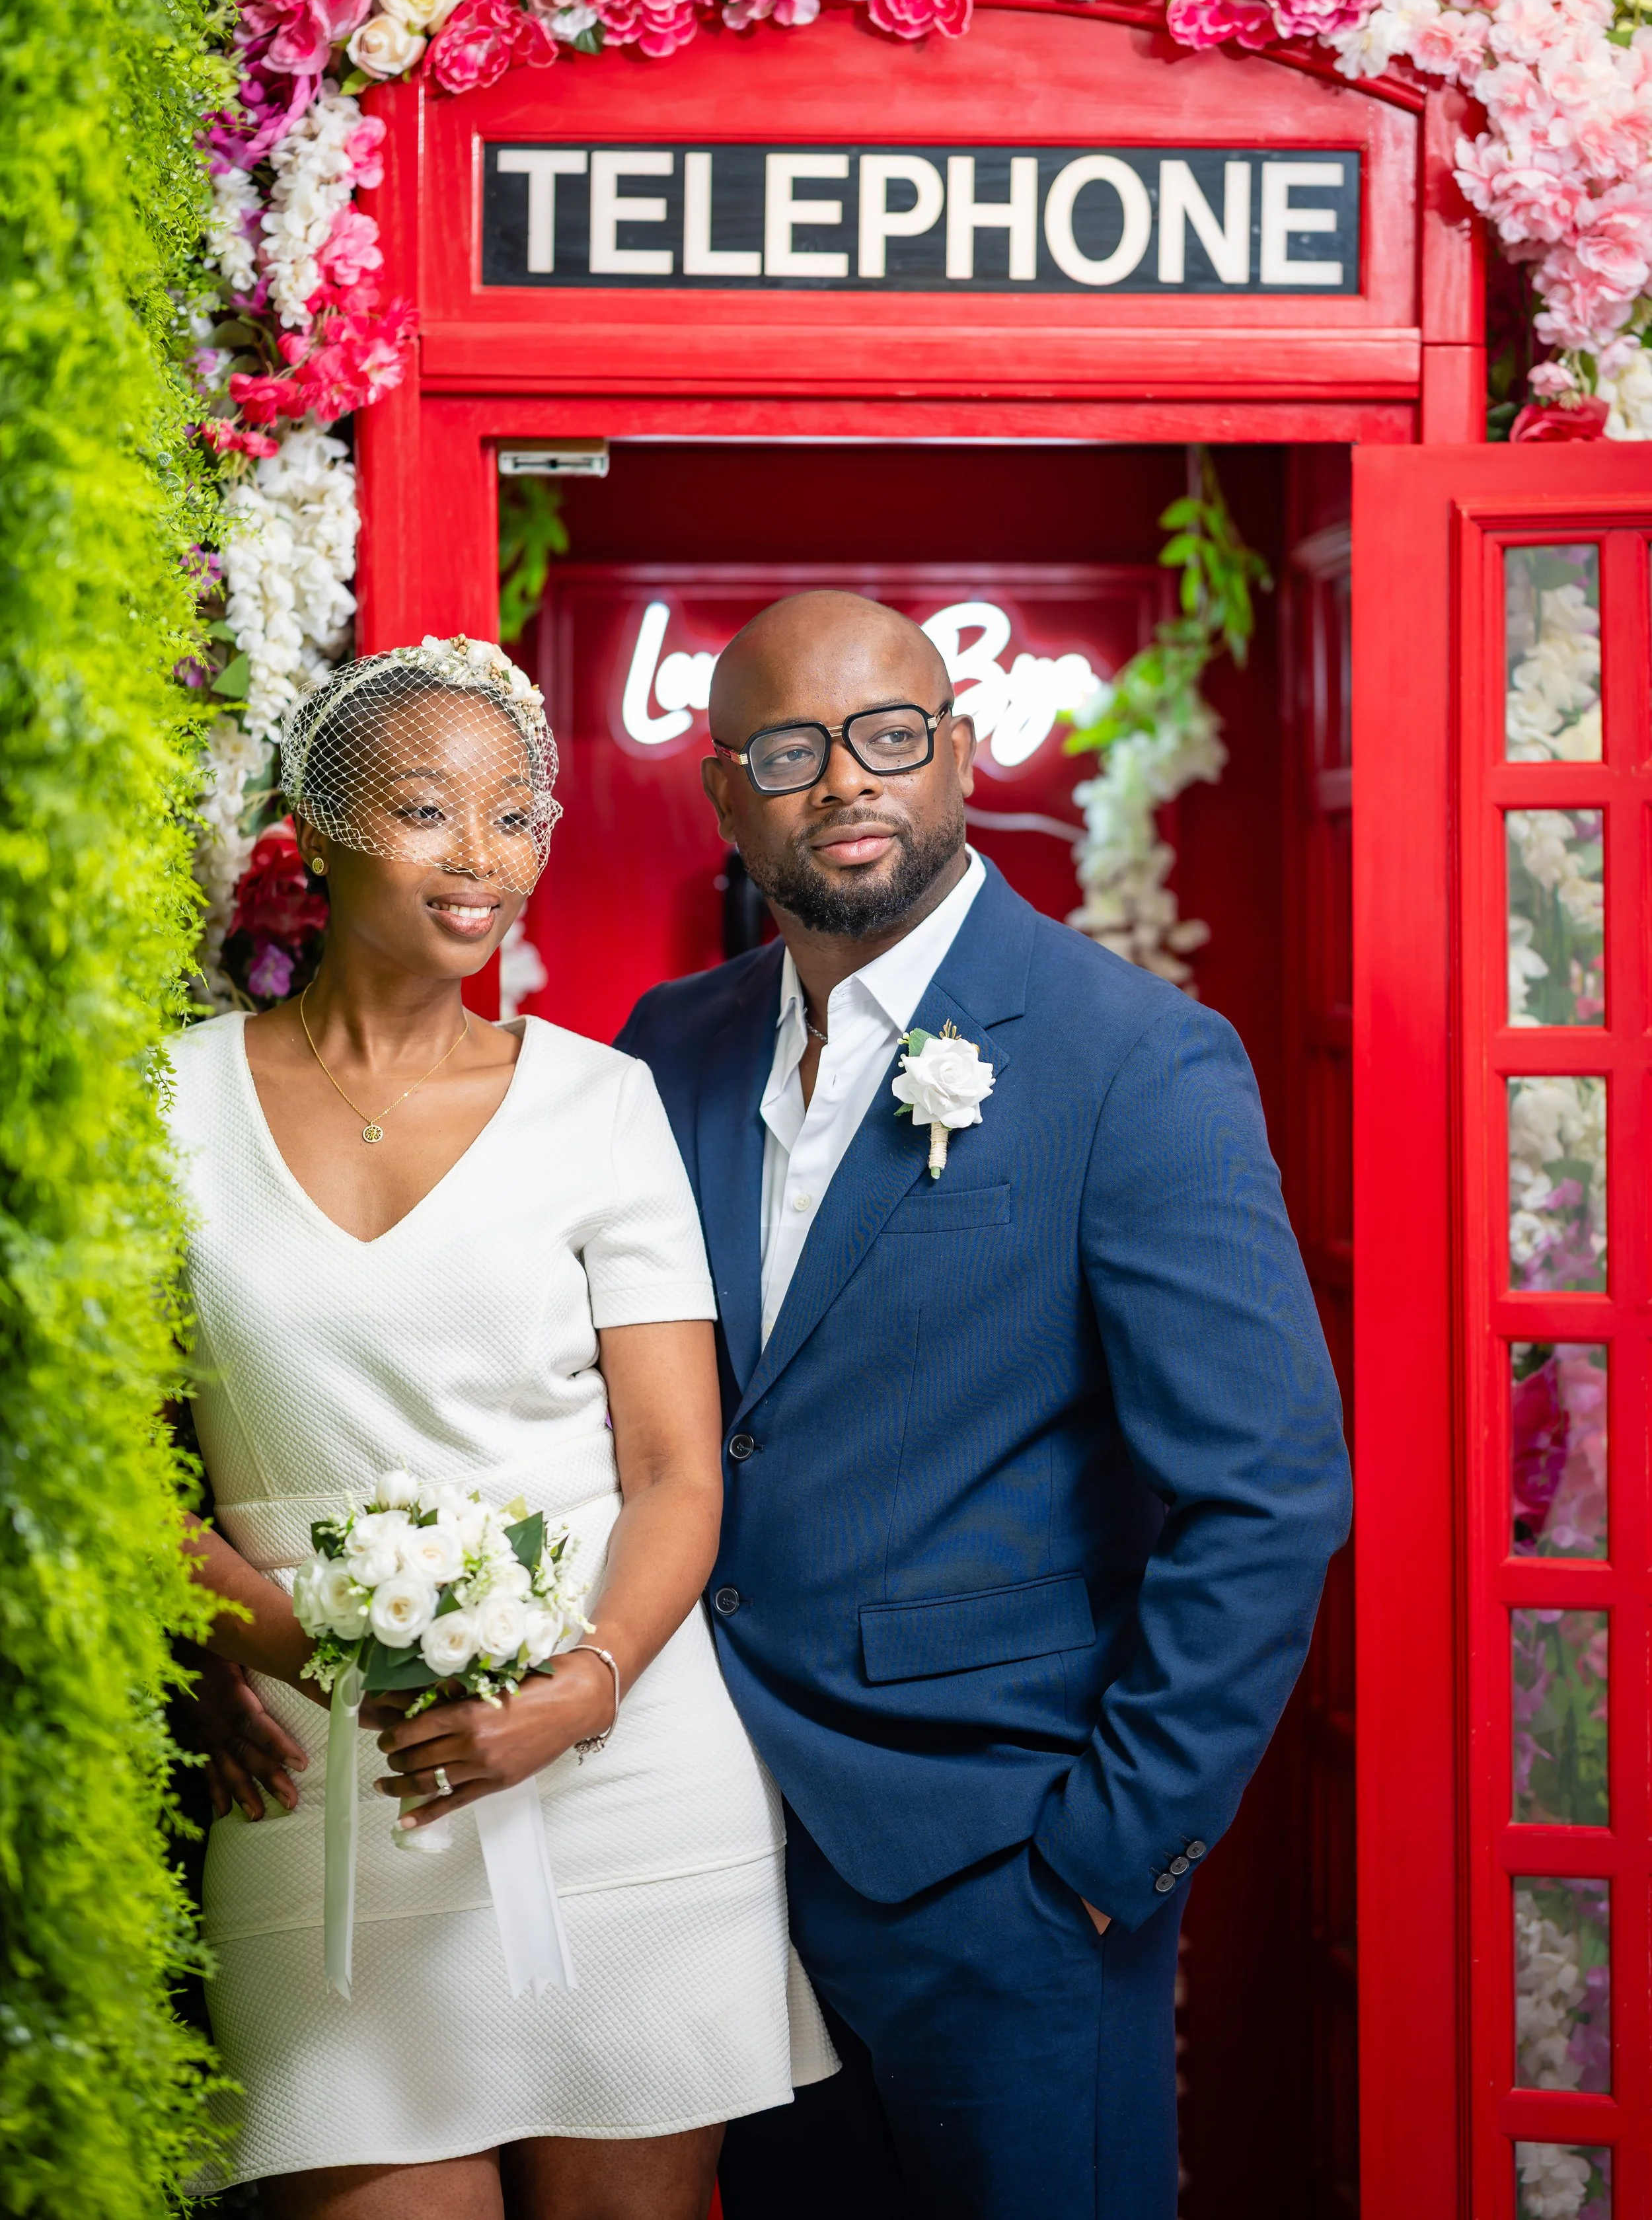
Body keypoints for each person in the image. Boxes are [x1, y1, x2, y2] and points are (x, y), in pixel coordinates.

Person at [615, 590, 1353, 2220]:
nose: (848, 785)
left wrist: (1103, 1858)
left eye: (889, 738)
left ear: (952, 754)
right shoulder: (666, 1048)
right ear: (727, 791)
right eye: (793, 751)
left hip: (1003, 1876)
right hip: (714, 1858)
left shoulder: (1130, 1059)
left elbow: (1273, 1488)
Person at [167, 636, 833, 2220]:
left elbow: (675, 1471)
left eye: (518, 815)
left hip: (622, 1775)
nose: (484, 860)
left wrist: (578, 1691)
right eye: (424, 810)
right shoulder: (162, 1104)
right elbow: (105, 1473)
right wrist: (255, 1642)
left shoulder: (603, 1104)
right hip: (326, 1783)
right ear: (315, 833)